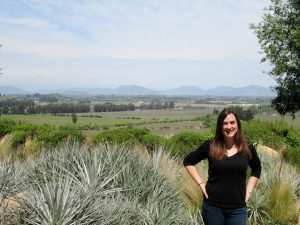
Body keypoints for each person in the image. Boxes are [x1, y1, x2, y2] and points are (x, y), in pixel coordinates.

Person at [183, 108, 261, 225]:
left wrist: (249, 192)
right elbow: (188, 161)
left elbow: (257, 169)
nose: (229, 127)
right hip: (213, 208)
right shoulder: (210, 146)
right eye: (225, 123)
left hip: (238, 209)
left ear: (238, 125)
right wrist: (201, 184)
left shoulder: (247, 148)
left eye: (232, 123)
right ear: (220, 126)